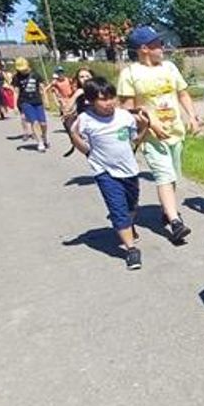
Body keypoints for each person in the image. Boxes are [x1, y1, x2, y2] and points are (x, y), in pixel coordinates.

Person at [117, 26, 200, 245]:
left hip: (175, 132)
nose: (163, 47)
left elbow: (182, 93)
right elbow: (128, 110)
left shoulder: (170, 68)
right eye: (158, 44)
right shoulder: (130, 74)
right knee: (163, 175)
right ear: (144, 48)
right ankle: (175, 222)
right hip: (152, 137)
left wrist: (192, 116)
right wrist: (151, 124)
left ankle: (167, 210)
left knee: (172, 176)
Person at [69, 77, 151, 271]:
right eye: (103, 99)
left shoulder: (124, 116)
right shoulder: (85, 120)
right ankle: (131, 250)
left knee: (131, 205)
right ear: (90, 101)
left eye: (111, 97)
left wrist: (144, 126)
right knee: (118, 208)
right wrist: (73, 135)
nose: (109, 103)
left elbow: (135, 140)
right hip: (104, 171)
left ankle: (127, 224)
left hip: (129, 170)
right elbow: (84, 148)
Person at [12, 58, 49, 151]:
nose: (23, 71)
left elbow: (42, 88)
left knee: (43, 123)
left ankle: (44, 136)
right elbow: (16, 92)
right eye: (21, 70)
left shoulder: (35, 75)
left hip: (38, 101)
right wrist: (15, 105)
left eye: (24, 69)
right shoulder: (16, 77)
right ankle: (40, 142)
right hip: (25, 102)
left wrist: (46, 100)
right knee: (34, 122)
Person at [60, 67, 94, 157]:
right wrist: (75, 95)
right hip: (85, 126)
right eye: (82, 77)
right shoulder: (78, 92)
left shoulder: (98, 90)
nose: (85, 79)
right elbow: (66, 109)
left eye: (87, 76)